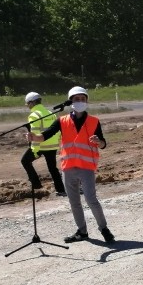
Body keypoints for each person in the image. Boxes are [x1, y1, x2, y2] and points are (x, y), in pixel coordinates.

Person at [26, 86, 114, 243]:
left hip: (87, 167)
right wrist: (33, 137)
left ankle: (104, 229)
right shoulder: (61, 120)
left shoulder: (94, 121)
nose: (80, 101)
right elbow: (45, 136)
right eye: (76, 99)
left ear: (86, 101)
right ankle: (82, 232)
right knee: (74, 202)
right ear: (70, 101)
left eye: (83, 99)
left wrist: (98, 142)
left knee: (91, 200)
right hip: (68, 167)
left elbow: (103, 143)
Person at [20, 91, 66, 196]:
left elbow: (34, 135)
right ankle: (61, 190)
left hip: (41, 146)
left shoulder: (34, 115)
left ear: (31, 103)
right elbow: (57, 131)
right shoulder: (50, 113)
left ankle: (36, 186)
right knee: (52, 168)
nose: (27, 106)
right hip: (53, 145)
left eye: (27, 104)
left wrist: (35, 152)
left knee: (25, 161)